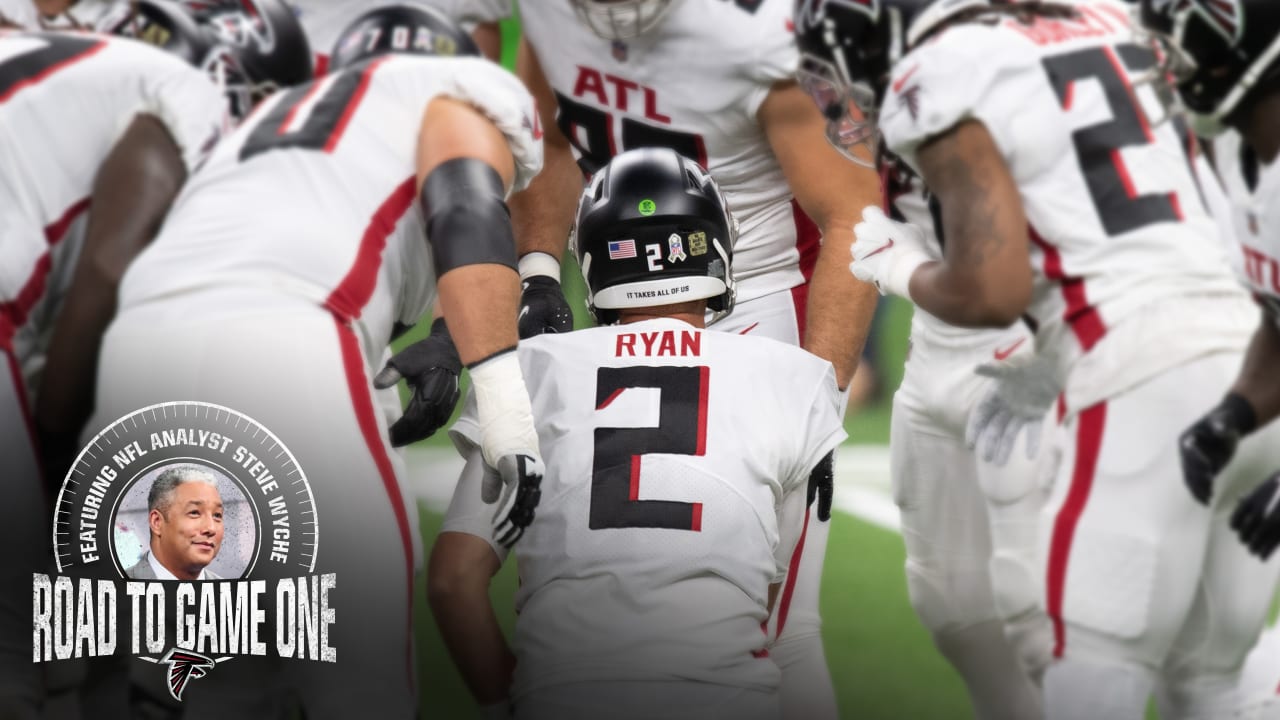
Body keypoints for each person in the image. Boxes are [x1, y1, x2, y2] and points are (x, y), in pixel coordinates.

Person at [387, 2, 883, 715]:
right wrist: (536, 272)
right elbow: (549, 140)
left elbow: (852, 212)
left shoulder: (771, 33)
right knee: (772, 624)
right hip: (630, 297)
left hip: (751, 305)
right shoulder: (555, 15)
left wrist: (821, 394)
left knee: (786, 624)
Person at [798, 1, 1280, 718]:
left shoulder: (944, 69)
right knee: (959, 604)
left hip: (1091, 347)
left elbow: (994, 286)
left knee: (1073, 647)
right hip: (1231, 348)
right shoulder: (1115, 26)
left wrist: (898, 268)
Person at [87, 5, 544, 716]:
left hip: (135, 351)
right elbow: (464, 204)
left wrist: (444, 337)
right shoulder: (449, 88)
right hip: (287, 337)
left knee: (210, 673)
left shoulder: (267, 129)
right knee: (359, 667)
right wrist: (508, 409)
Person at [429, 146, 846, 720]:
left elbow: (454, 581)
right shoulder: (795, 380)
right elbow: (786, 625)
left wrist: (506, 703)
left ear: (594, 258)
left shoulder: (531, 369)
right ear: (716, 248)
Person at [126, 466, 226, 581]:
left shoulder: (230, 594)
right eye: (194, 512)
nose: (211, 528)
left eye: (217, 515)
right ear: (157, 522)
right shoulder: (116, 592)